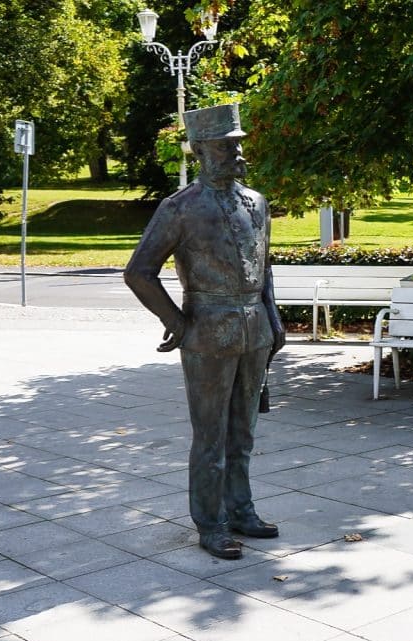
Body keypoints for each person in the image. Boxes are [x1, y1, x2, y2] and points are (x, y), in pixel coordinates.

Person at [125, 103, 285, 560]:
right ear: (199, 150)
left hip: (255, 330)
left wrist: (275, 322)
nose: (234, 152)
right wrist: (175, 321)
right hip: (207, 333)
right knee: (211, 436)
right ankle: (210, 523)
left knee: (245, 431)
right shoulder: (179, 209)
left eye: (236, 143)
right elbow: (139, 271)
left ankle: (242, 510)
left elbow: (264, 265)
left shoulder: (256, 202)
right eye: (223, 145)